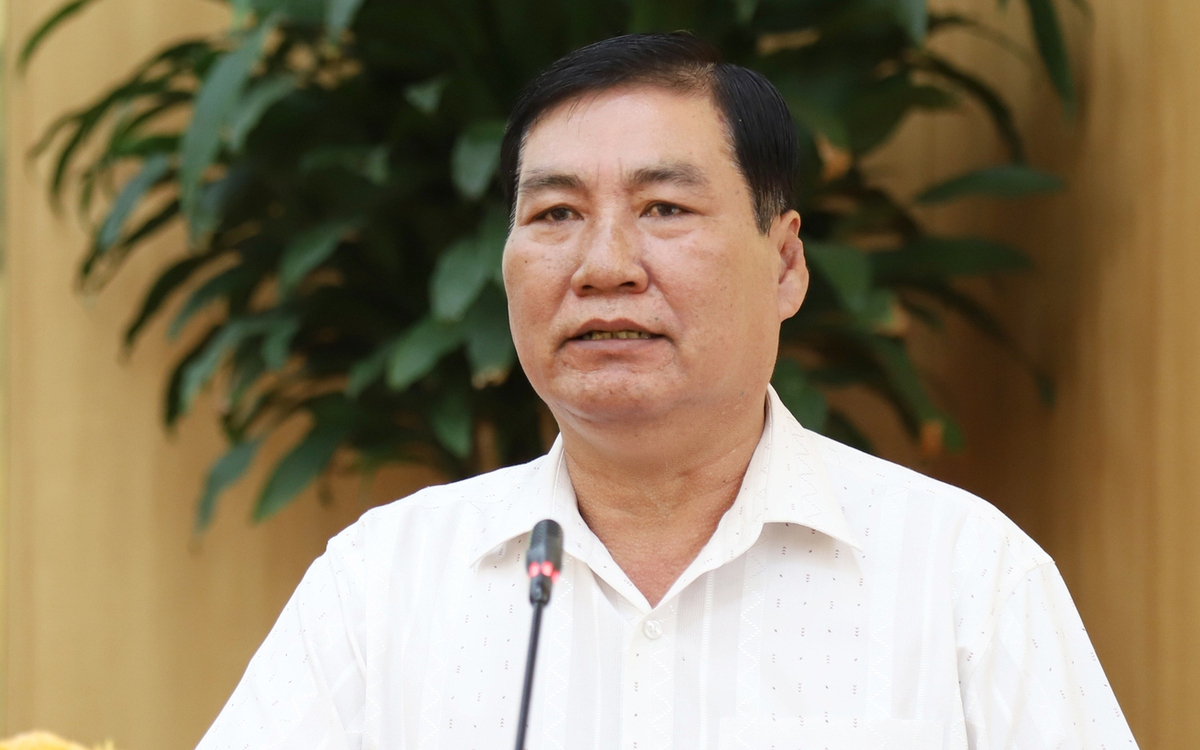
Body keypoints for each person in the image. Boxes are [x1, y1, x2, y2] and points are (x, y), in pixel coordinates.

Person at [197, 33, 1137, 750]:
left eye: (664, 209)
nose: (604, 265)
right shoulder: (385, 581)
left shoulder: (964, 576)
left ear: (785, 264)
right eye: (556, 213)